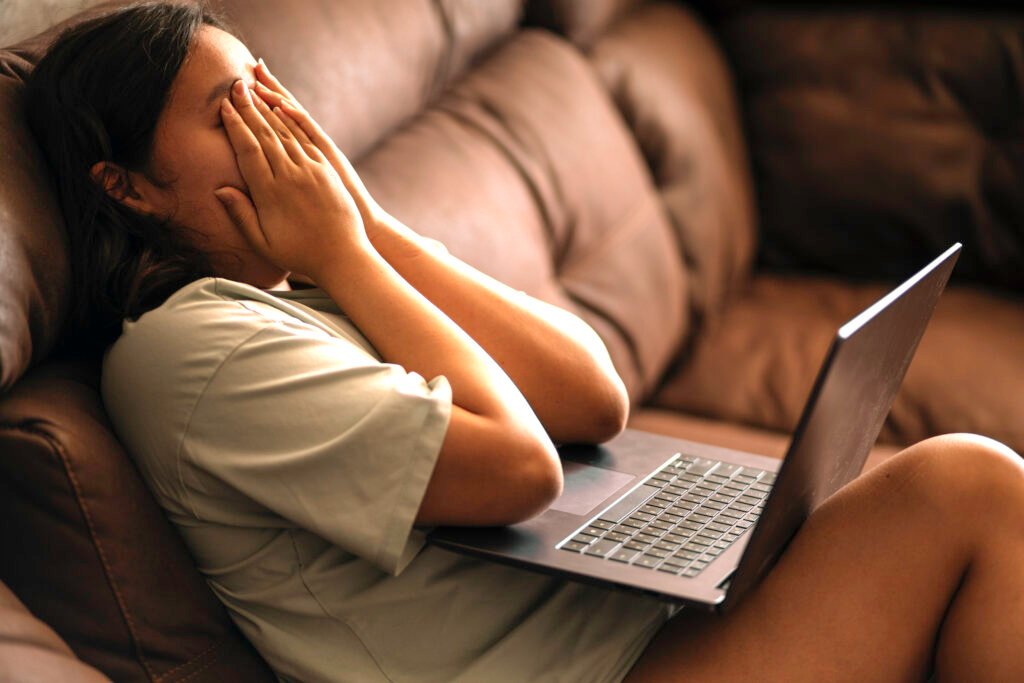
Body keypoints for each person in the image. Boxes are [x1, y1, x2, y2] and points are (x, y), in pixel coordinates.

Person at [23, 2, 1024, 681]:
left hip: (644, 632)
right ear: (128, 187)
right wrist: (347, 252)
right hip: (613, 669)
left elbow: (593, 398)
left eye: (271, 92)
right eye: (229, 113)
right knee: (968, 485)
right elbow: (520, 468)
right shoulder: (191, 353)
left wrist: (370, 226)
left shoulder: (301, 288)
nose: (278, 130)